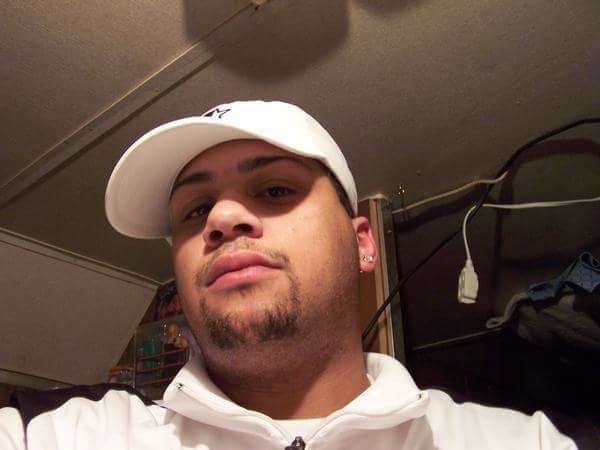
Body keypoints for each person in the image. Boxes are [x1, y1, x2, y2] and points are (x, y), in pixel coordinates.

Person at [0, 101, 576, 449]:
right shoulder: (61, 434)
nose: (221, 219)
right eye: (195, 211)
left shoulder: (520, 443)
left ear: (362, 244)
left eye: (275, 190)